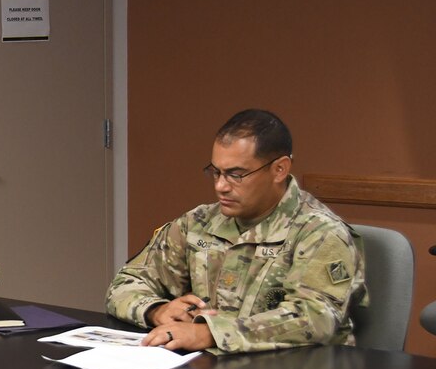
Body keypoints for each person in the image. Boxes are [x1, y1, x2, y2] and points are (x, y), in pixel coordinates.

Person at [105, 108, 367, 354]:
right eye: (216, 172)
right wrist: (157, 310)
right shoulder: (198, 222)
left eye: (236, 175)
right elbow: (126, 283)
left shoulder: (319, 232)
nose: (221, 186)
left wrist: (210, 334)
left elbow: (314, 318)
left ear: (279, 169)